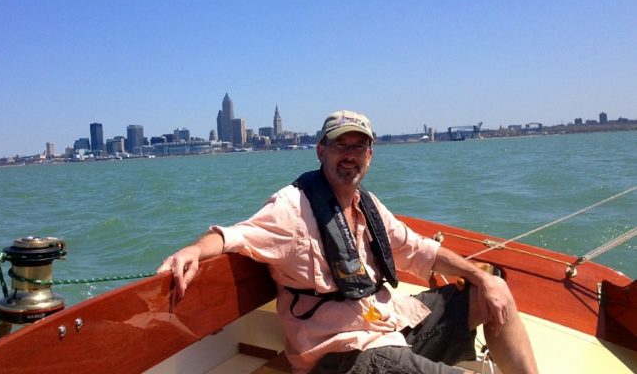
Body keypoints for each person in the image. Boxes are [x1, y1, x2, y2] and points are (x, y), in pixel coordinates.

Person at [157, 110, 538, 374]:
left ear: (369, 156)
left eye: (359, 147)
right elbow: (232, 236)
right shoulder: (291, 209)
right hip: (342, 357)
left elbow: (421, 250)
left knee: (493, 293)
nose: (350, 156)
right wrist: (193, 250)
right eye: (341, 146)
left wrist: (482, 278)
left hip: (387, 327)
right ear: (322, 151)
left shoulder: (367, 206)